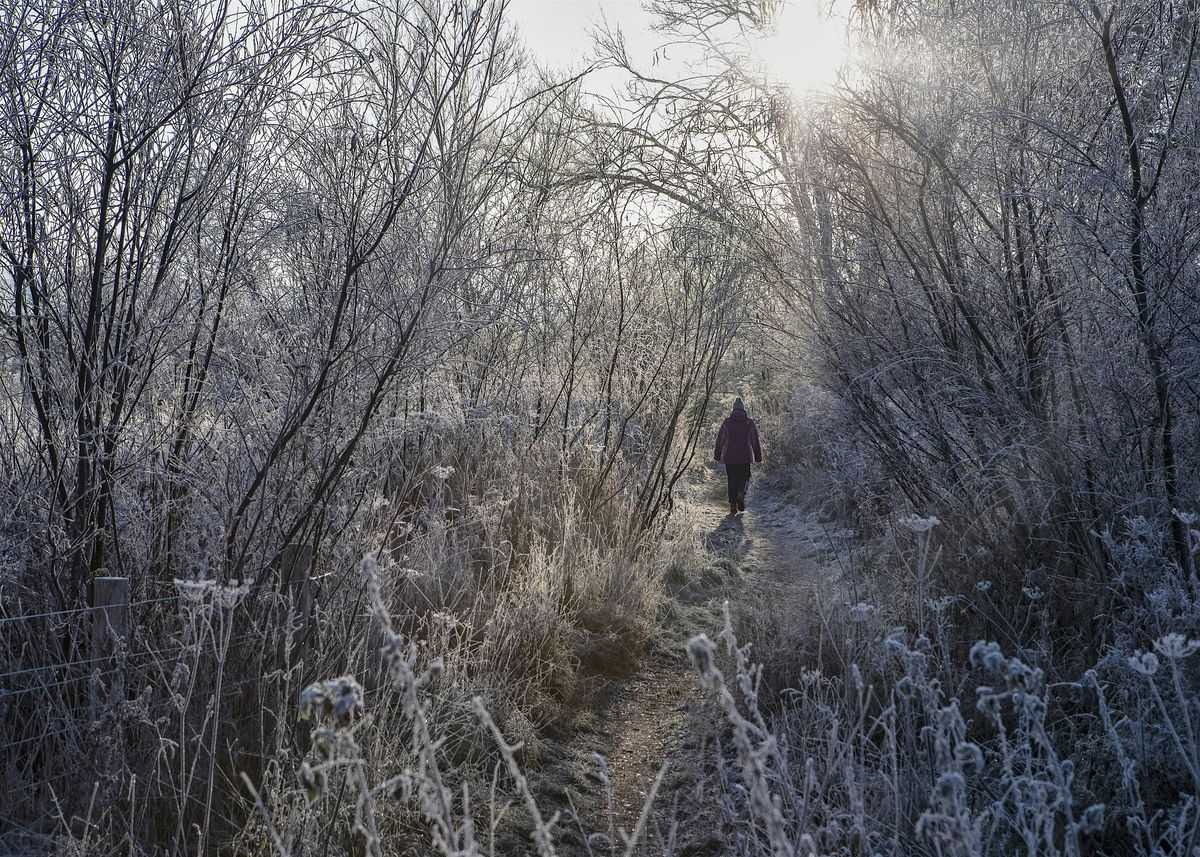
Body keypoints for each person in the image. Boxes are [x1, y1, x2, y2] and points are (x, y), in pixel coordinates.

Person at [714, 397, 763, 516]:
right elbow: (754, 441)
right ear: (743, 409)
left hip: (730, 457)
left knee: (732, 480)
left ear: (733, 409)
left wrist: (717, 454)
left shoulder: (727, 422)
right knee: (745, 477)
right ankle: (741, 493)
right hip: (745, 456)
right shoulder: (749, 423)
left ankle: (732, 506)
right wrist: (758, 456)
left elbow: (721, 439)